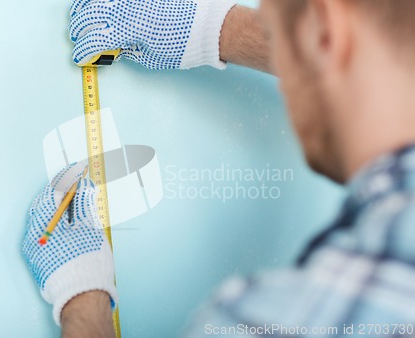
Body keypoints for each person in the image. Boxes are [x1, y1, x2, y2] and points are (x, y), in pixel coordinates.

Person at [22, 0, 415, 337]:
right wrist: (218, 30)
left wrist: (83, 299)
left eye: (274, 26)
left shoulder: (270, 321)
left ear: (326, 32)